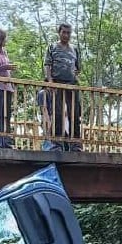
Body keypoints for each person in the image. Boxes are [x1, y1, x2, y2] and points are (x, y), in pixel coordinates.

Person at [43, 23, 82, 151]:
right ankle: (57, 144)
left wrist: (73, 76)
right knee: (58, 114)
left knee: (74, 114)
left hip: (71, 84)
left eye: (68, 33)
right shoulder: (53, 47)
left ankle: (75, 144)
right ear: (59, 32)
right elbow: (47, 65)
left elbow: (78, 68)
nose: (66, 35)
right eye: (64, 32)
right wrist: (50, 81)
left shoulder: (74, 49)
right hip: (56, 83)